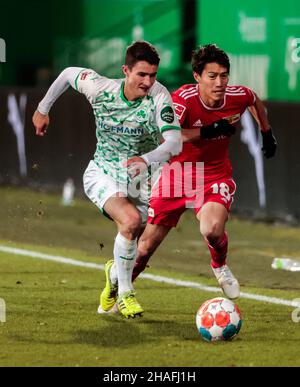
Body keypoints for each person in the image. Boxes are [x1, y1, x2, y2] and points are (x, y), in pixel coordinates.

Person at [32, 41, 185, 318]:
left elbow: (174, 144)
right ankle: (126, 294)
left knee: (137, 242)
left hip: (142, 181)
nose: (148, 81)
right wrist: (43, 110)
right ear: (125, 70)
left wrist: (147, 160)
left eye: (153, 75)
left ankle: (114, 275)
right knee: (130, 222)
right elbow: (67, 73)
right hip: (102, 172)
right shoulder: (100, 88)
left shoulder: (160, 97)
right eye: (141, 74)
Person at [132, 44, 277, 300]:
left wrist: (266, 132)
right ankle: (119, 288)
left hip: (214, 174)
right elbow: (167, 136)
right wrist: (208, 131)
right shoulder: (182, 100)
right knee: (144, 248)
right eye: (212, 76)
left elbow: (254, 100)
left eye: (224, 75)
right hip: (178, 174)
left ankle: (219, 267)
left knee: (211, 229)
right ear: (197, 77)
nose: (219, 82)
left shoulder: (236, 96)